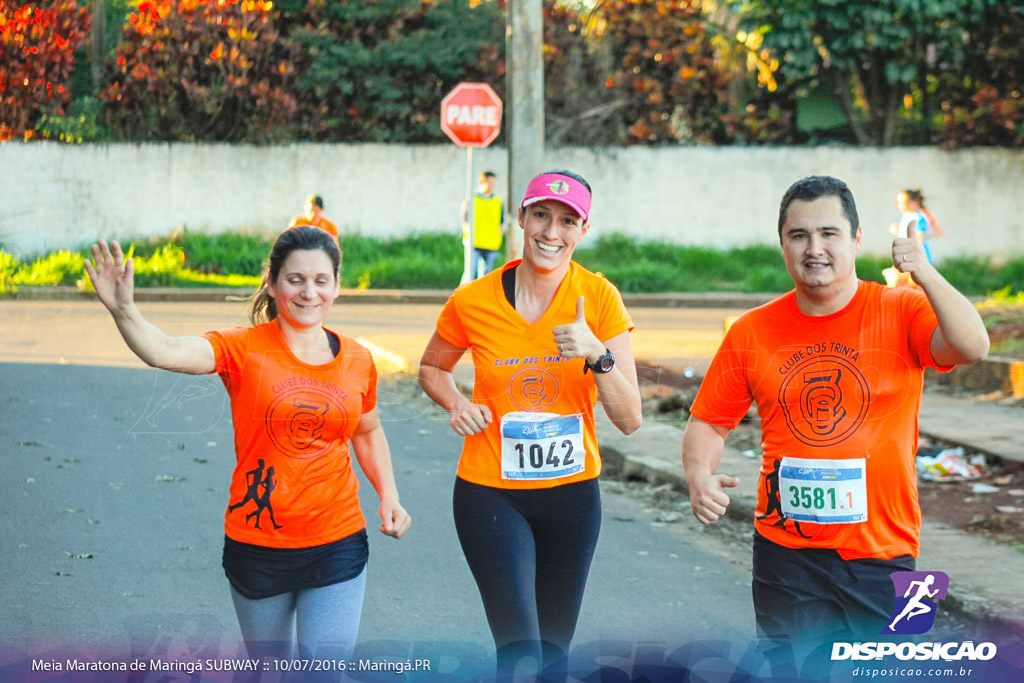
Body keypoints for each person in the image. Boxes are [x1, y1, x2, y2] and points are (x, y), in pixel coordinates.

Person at [681, 176, 988, 670]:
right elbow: (709, 422)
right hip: (785, 554)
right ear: (782, 243)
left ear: (856, 239)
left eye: (829, 233)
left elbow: (974, 347)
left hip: (886, 552)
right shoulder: (751, 331)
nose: (814, 248)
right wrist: (699, 476)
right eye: (799, 235)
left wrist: (925, 274)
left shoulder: (902, 310)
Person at [84, 226, 411, 660]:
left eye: (321, 280)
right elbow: (163, 350)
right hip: (259, 545)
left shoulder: (357, 358)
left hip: (337, 539)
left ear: (336, 287)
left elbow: (367, 430)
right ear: (273, 284)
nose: (308, 292)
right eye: (295, 279)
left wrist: (389, 494)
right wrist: (125, 311)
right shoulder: (243, 348)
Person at [418, 169, 643, 679]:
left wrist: (597, 355)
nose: (551, 232)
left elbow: (630, 420)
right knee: (519, 653)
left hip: (572, 495)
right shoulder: (472, 300)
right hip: (490, 494)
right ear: (520, 217)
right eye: (541, 215)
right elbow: (432, 368)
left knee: (554, 657)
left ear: (583, 230)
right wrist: (455, 401)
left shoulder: (600, 299)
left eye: (568, 221)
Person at [462, 170, 506, 281]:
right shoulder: (472, 199)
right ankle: (462, 297)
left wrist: (499, 237)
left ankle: (480, 298)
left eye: (493, 183)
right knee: (470, 274)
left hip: (491, 243)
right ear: (482, 182)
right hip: (474, 242)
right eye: (490, 183)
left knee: (486, 277)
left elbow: (501, 221)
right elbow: (465, 219)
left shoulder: (498, 201)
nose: (492, 186)